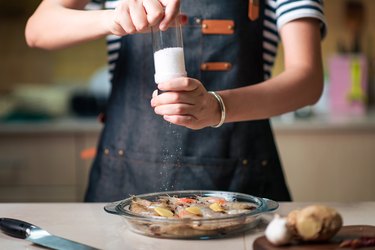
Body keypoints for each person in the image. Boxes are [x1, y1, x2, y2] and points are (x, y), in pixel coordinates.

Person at [26, 0, 326, 202]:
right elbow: (38, 29)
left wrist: (217, 107)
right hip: (123, 181)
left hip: (240, 186)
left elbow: (308, 80)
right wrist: (112, 18)